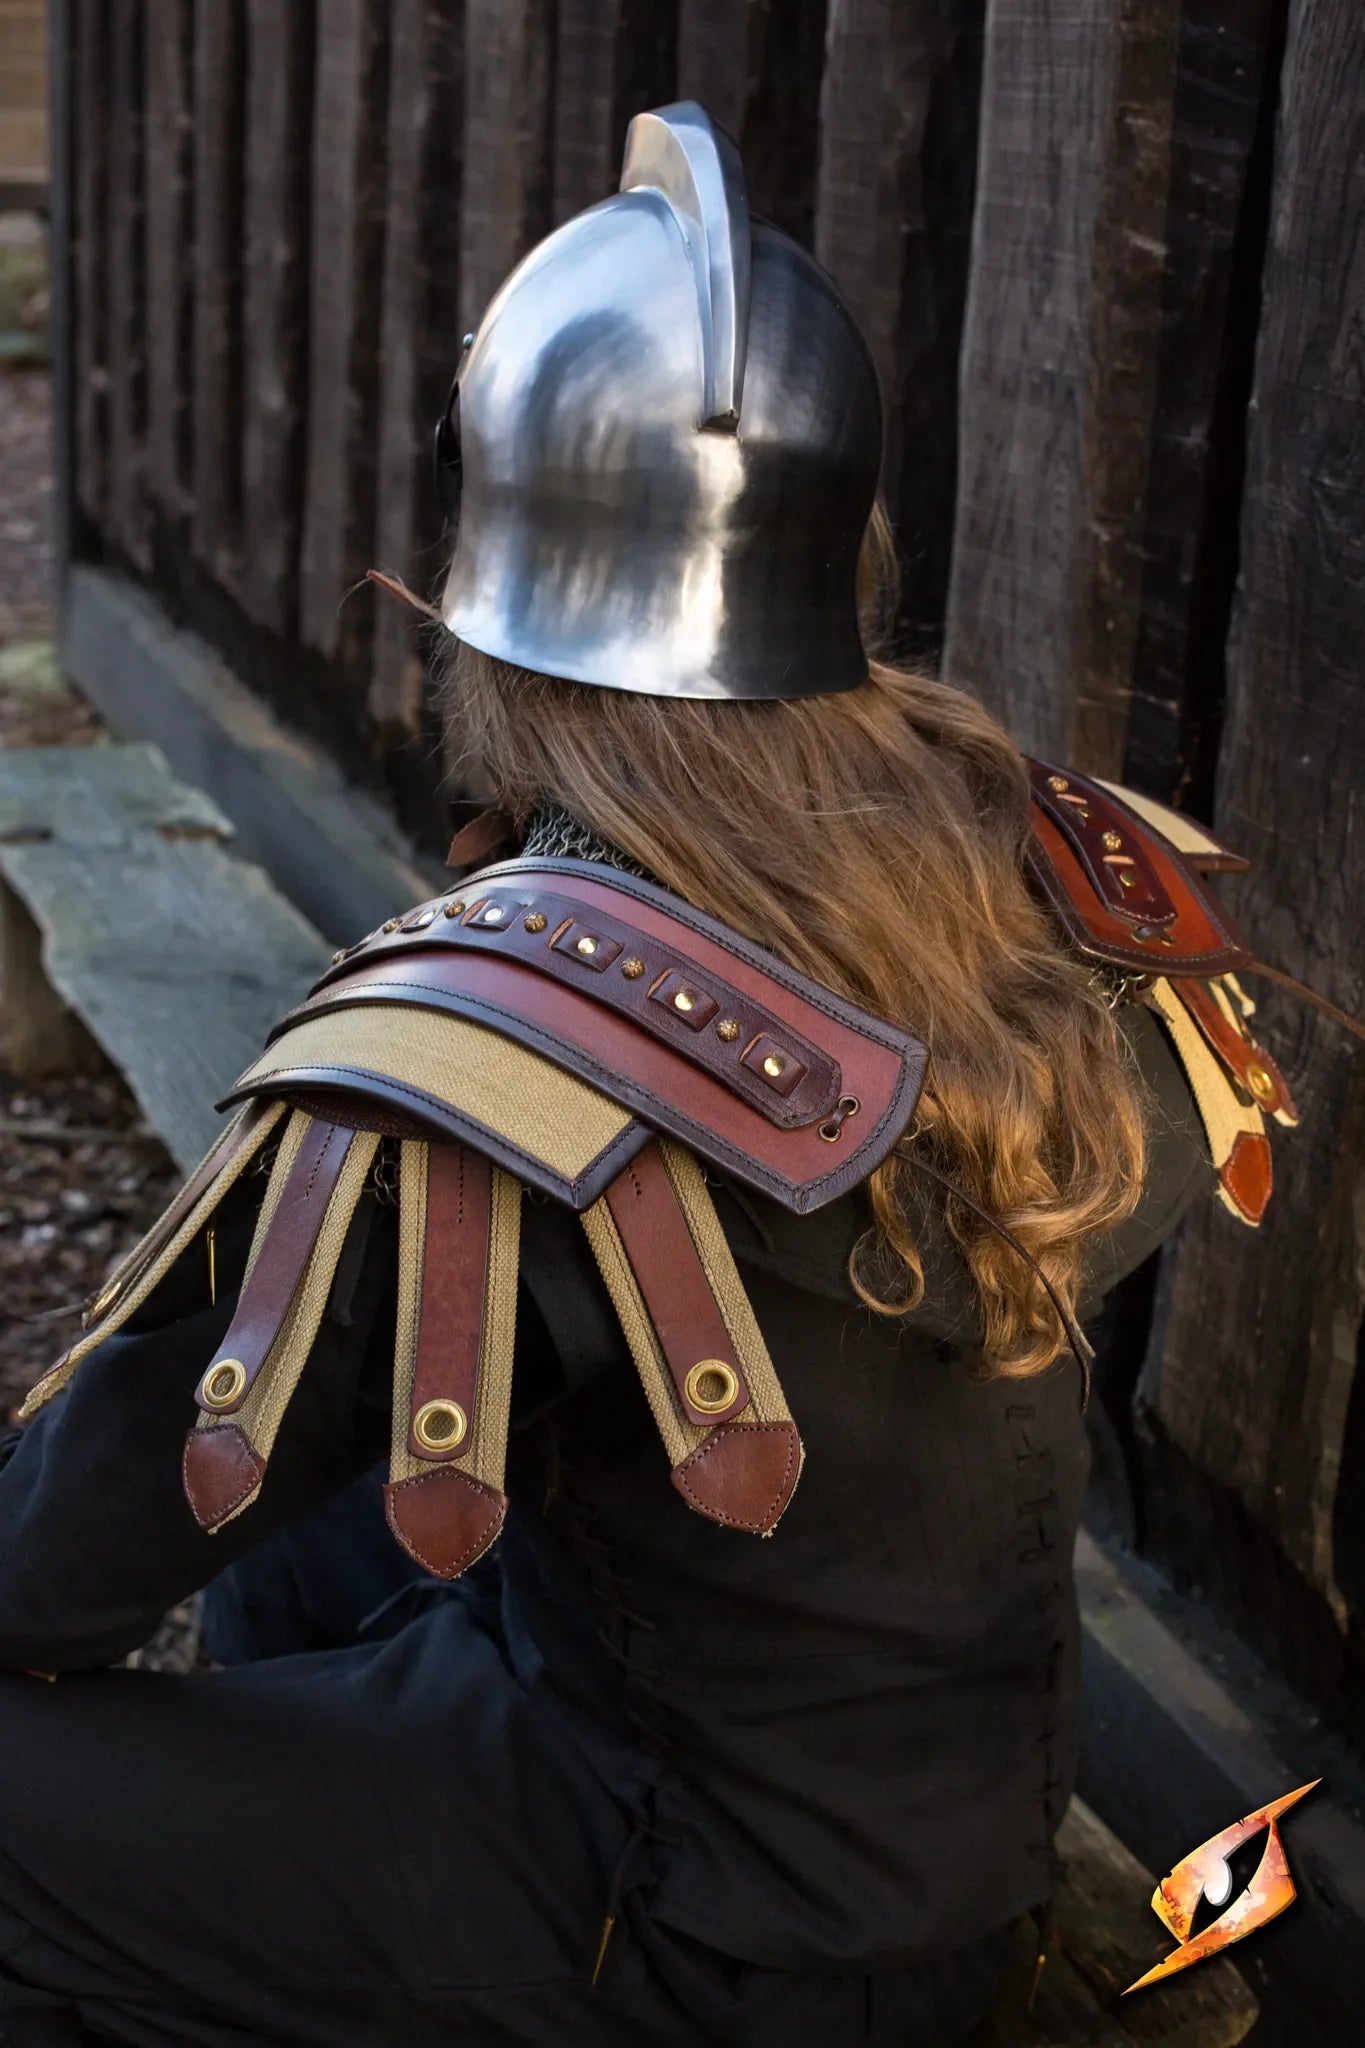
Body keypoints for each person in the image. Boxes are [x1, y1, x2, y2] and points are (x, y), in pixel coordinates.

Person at [0, 103, 1294, 2048]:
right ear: (830, 539)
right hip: (931, 1854)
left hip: (700, 1924)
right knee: (323, 1549)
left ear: (492, 570)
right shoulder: (1071, 887)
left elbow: (53, 1567)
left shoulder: (496, 1048)